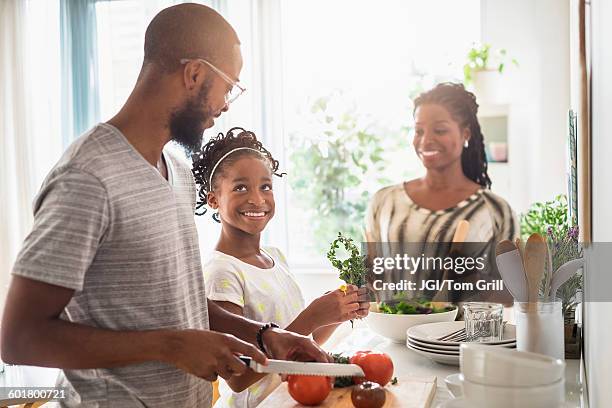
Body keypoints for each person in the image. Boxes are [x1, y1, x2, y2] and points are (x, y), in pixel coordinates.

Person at [0, 4, 330, 407]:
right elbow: (20, 339)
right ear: (194, 75)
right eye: (228, 87)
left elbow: (184, 300)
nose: (226, 105)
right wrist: (171, 346)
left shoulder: (176, 168)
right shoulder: (87, 177)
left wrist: (262, 333)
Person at [191, 127, 369, 407]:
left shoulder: (275, 257)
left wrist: (334, 313)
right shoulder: (222, 272)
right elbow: (237, 377)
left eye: (265, 186)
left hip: (293, 398)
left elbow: (301, 344)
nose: (257, 199)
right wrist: (310, 317)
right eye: (240, 187)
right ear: (214, 200)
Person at [365, 82, 518, 301]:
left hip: (463, 335)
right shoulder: (384, 202)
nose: (426, 140)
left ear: (465, 134)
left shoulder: (495, 211)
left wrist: (474, 281)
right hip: (394, 334)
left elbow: (512, 294)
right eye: (419, 131)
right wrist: (363, 279)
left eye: (440, 130)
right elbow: (370, 281)